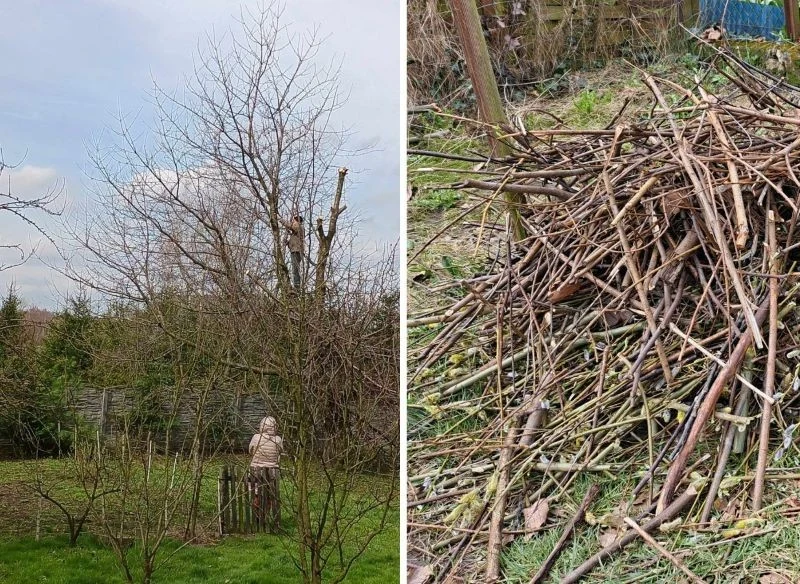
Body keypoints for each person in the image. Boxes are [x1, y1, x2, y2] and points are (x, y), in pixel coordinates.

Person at [248, 416, 283, 530]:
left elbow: (251, 450)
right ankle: (265, 515)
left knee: (256, 492)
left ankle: (257, 515)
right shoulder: (278, 439)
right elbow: (280, 452)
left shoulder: (256, 437)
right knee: (269, 495)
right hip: (272, 472)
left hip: (256, 471)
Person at [280, 214, 304, 288]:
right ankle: (296, 285)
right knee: (294, 270)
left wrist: (280, 219)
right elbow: (294, 242)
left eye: (294, 221)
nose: (292, 222)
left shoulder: (299, 227)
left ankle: (297, 287)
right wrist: (287, 243)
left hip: (297, 251)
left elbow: (290, 226)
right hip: (294, 251)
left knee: (295, 270)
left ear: (297, 221)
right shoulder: (295, 232)